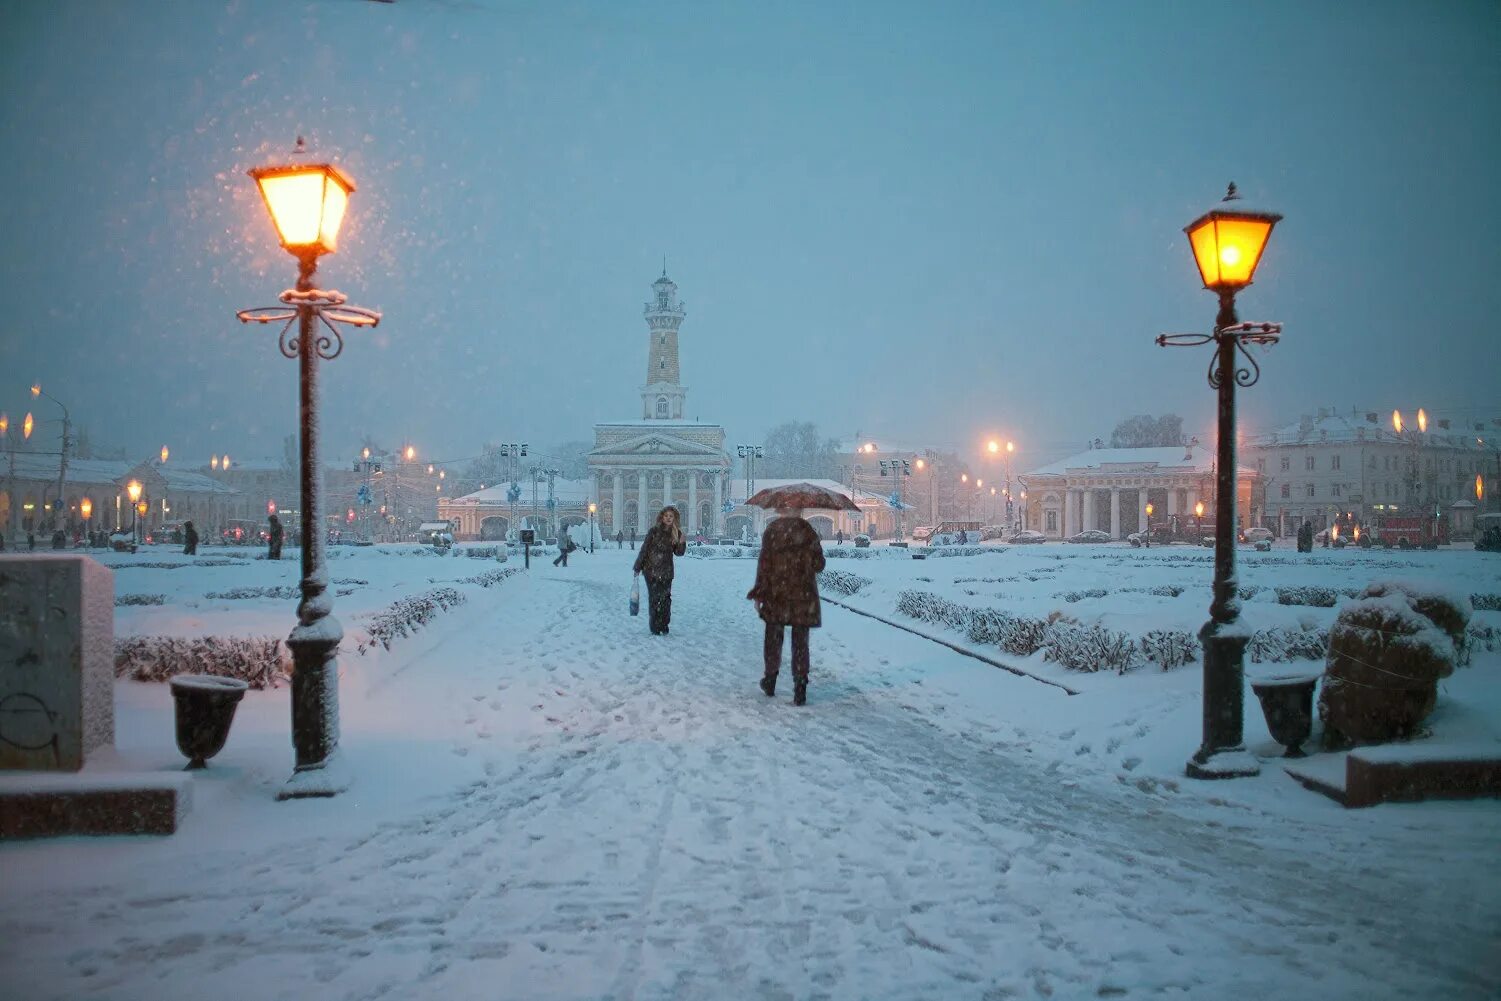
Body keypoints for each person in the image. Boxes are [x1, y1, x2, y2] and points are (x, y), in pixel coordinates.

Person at [749, 506, 826, 706]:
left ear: (779, 510)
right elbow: (819, 565)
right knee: (801, 642)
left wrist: (760, 593)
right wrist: (809, 555)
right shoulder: (808, 531)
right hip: (803, 595)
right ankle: (800, 686)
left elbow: (764, 565)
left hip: (777, 593)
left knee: (773, 639)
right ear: (800, 510)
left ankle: (770, 680)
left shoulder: (773, 530)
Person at [633, 506, 686, 635]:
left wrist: (682, 543)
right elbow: (644, 549)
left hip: (667, 571)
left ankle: (664, 624)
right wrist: (637, 567)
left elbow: (679, 553)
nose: (668, 518)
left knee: (666, 599)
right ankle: (655, 626)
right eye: (666, 515)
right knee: (655, 598)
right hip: (651, 570)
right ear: (662, 517)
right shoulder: (654, 531)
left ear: (674, 518)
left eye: (671, 516)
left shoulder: (677, 533)